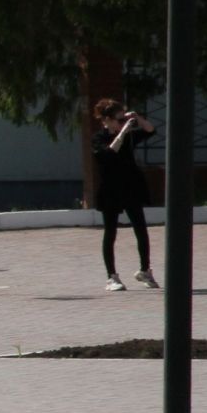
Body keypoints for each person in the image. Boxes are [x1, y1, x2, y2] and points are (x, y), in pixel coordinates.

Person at [91, 98, 157, 291]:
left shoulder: (128, 136)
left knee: (141, 229)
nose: (123, 123)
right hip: (110, 190)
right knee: (110, 232)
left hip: (131, 186)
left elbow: (150, 130)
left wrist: (138, 118)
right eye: (118, 120)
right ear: (107, 120)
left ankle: (145, 270)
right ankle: (112, 276)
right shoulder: (98, 139)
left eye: (123, 119)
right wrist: (122, 131)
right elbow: (109, 154)